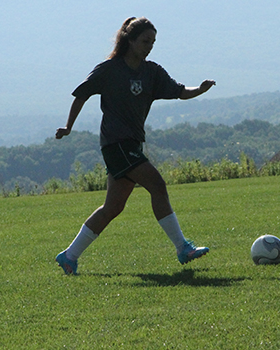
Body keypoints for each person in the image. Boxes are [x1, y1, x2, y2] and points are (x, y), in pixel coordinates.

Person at [54, 17, 216, 275]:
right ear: (129, 40)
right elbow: (82, 93)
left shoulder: (151, 71)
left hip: (130, 145)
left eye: (153, 42)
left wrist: (201, 89)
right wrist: (69, 126)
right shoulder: (110, 69)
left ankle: (69, 256)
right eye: (144, 41)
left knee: (113, 207)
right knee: (157, 185)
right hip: (115, 143)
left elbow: (179, 91)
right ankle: (183, 248)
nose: (149, 46)